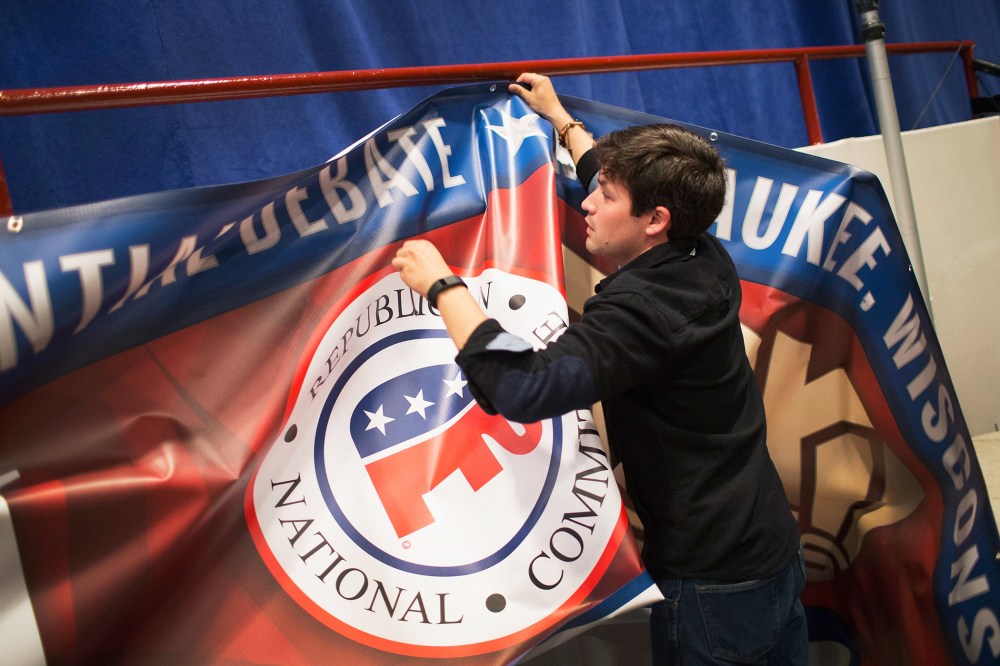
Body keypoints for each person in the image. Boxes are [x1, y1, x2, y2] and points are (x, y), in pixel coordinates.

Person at [391, 72, 807, 665]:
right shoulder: (701, 251)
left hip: (714, 586)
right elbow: (618, 190)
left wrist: (443, 285)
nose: (586, 202)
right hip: (770, 550)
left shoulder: (644, 312)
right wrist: (563, 123)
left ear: (655, 220)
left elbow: (522, 386)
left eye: (605, 196)